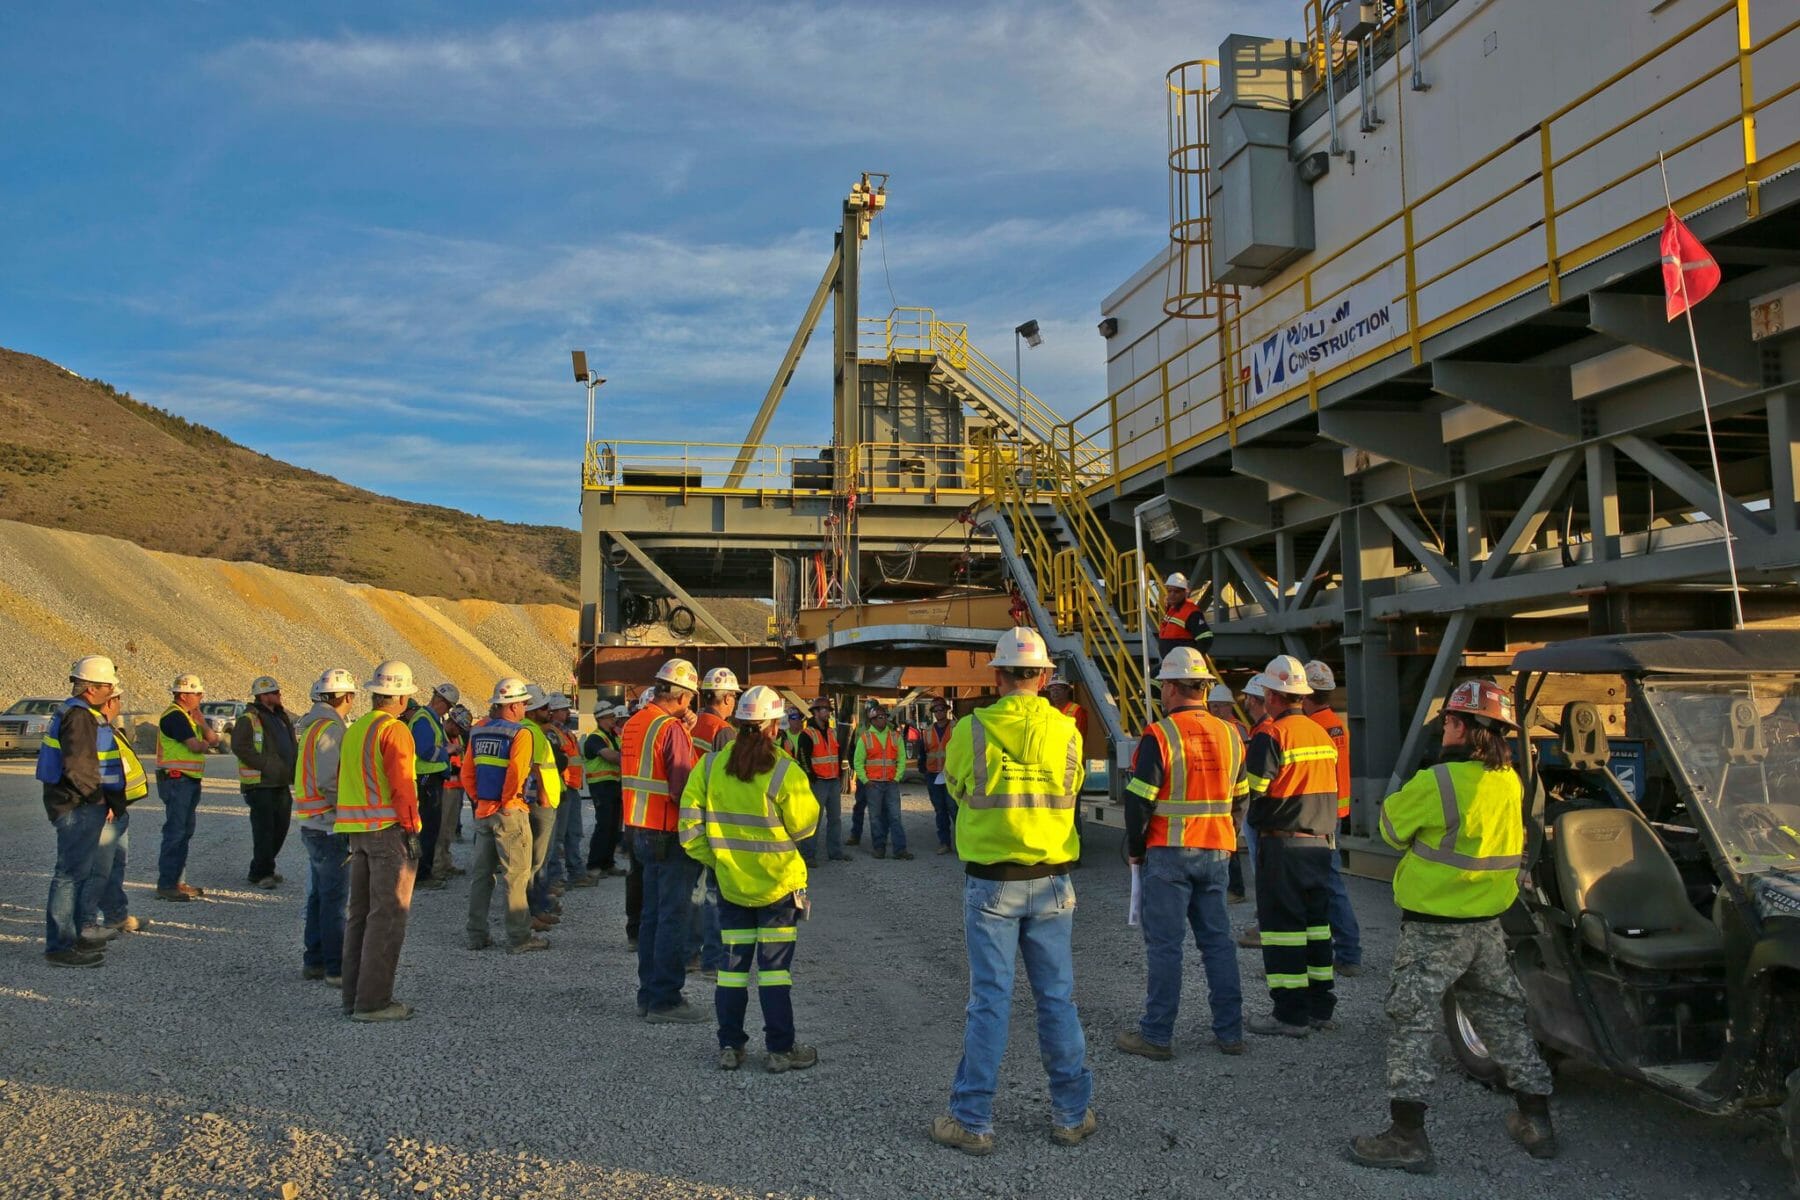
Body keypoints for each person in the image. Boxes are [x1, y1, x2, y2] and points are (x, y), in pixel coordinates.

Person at [1351, 680, 1555, 1173]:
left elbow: (1391, 829)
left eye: (1448, 721)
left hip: (1433, 930)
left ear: (1463, 727)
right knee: (1503, 1020)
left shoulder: (1438, 782)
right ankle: (1537, 1121)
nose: (1443, 727)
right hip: (1486, 928)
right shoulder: (1510, 782)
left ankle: (1407, 1137)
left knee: (1410, 1026)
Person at [930, 628, 1094, 1156]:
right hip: (1051, 882)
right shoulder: (1068, 732)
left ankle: (973, 1121)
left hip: (992, 884)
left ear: (997, 676)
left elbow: (955, 788)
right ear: (1045, 677)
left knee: (989, 1002)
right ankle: (1071, 1115)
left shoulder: (969, 730)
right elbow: (1072, 789)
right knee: (1056, 1000)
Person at [679, 685, 822, 1073]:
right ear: (774, 727)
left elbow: (689, 830)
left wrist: (720, 860)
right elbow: (806, 827)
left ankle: (731, 1047)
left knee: (731, 972)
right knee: (775, 974)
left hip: (731, 888)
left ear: (739, 722)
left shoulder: (709, 766)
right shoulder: (784, 770)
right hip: (778, 890)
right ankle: (780, 1050)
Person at [1115, 648, 1249, 1061]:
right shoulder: (1232, 734)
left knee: (1166, 946)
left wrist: (1135, 850)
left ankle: (1157, 1036)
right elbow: (1242, 799)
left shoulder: (1162, 734)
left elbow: (1140, 801)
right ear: (1205, 687)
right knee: (1218, 944)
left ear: (1171, 687)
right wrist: (1227, 836)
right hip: (1216, 851)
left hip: (1169, 853)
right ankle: (1230, 1034)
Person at [1243, 655, 1340, 1038]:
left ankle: (1289, 1014)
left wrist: (1253, 819)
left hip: (1283, 845)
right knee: (1317, 927)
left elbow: (1256, 791)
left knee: (1283, 928)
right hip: (1320, 843)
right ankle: (1320, 1007)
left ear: (1273, 694)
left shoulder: (1271, 734)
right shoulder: (1320, 732)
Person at [334, 660, 423, 1022]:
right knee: (388, 915)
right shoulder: (394, 730)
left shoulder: (355, 730)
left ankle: (353, 996)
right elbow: (402, 784)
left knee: (360, 915)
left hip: (357, 832)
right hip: (388, 831)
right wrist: (412, 828)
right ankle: (373, 1003)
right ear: (401, 696)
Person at [620, 658, 705, 1022]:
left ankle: (648, 994)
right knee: (673, 916)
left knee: (652, 915)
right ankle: (666, 1000)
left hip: (638, 830)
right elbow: (682, 788)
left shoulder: (637, 723)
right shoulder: (671, 729)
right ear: (684, 697)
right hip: (668, 833)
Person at [38, 655, 123, 967]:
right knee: (69, 876)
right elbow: (79, 764)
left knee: (75, 874)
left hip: (75, 803)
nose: (112, 691)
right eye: (108, 686)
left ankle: (69, 940)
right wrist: (97, 797)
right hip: (77, 806)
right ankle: (60, 946)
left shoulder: (78, 712)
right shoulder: (80, 716)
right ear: (91, 689)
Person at [464, 678, 545, 954]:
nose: (525, 709)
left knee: (482, 875)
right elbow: (516, 773)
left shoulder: (478, 731)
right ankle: (520, 937)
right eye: (523, 703)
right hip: (508, 812)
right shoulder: (520, 734)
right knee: (516, 875)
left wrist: (479, 799)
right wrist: (507, 801)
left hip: (484, 810)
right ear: (512, 706)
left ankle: (476, 934)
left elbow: (467, 773)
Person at [294, 669, 357, 984]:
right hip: (328, 824)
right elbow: (329, 779)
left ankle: (315, 960)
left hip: (311, 821)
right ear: (347, 696)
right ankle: (336, 968)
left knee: (319, 895)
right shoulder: (332, 729)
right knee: (334, 899)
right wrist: (347, 813)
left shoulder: (312, 725)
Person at [1303, 660, 1362, 977]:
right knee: (1330, 882)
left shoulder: (1314, 729)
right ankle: (1345, 949)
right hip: (1334, 813)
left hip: (1320, 816)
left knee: (1329, 883)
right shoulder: (1336, 724)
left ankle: (1349, 952)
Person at [78, 687, 150, 945]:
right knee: (97, 870)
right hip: (105, 811)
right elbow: (89, 772)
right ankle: (85, 925)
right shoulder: (96, 730)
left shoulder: (107, 728)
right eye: (118, 699)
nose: (120, 703)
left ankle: (116, 916)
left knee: (115, 866)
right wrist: (103, 802)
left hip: (118, 809)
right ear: (111, 702)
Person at [154, 673, 220, 901]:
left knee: (184, 832)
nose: (201, 697)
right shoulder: (175, 717)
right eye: (197, 693)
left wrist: (202, 723)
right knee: (176, 832)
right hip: (176, 780)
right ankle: (167, 884)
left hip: (188, 780)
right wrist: (203, 743)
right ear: (183, 695)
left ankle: (177, 881)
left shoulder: (190, 717)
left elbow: (215, 740)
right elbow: (195, 746)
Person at [232, 676, 299, 890]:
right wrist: (267, 765)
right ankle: (262, 872)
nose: (279, 695)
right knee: (264, 830)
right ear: (263, 696)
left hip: (280, 782)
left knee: (281, 826)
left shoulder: (280, 716)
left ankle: (262, 867)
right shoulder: (250, 718)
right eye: (275, 692)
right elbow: (241, 747)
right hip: (260, 784)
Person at [406, 682, 459, 891]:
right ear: (440, 701)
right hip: (426, 778)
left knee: (432, 827)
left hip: (430, 778)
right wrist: (448, 751)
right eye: (448, 706)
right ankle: (421, 874)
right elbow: (426, 751)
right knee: (427, 827)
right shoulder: (424, 719)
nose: (449, 711)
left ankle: (423, 871)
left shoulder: (430, 719)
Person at [520, 685, 564, 930]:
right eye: (545, 707)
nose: (549, 711)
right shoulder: (532, 733)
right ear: (533, 710)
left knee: (539, 861)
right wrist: (544, 797)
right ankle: (531, 914)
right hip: (540, 804)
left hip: (542, 803)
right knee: (535, 862)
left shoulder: (534, 730)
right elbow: (534, 767)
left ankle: (537, 908)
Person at [1211, 682, 1252, 904]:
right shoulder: (1216, 728)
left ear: (1230, 707)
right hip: (1223, 793)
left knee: (1231, 845)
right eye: (1213, 706)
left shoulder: (1238, 730)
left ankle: (1236, 890)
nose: (1216, 710)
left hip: (1233, 794)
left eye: (1220, 706)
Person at [795, 697, 848, 864]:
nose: (828, 713)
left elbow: (838, 756)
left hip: (832, 781)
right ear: (815, 712)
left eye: (828, 710)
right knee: (813, 820)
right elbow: (803, 758)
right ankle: (808, 855)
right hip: (818, 782)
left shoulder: (832, 732)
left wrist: (840, 775)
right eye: (824, 710)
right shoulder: (807, 734)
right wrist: (811, 778)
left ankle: (835, 852)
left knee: (835, 819)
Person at [854, 705, 910, 860]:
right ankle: (879, 848)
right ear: (872, 720)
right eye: (880, 717)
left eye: (885, 716)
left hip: (891, 783)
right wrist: (866, 781)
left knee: (895, 817)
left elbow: (902, 759)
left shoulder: (895, 736)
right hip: (874, 784)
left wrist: (897, 777)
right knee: (875, 817)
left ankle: (900, 850)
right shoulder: (865, 738)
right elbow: (858, 762)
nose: (883, 719)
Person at [546, 694, 589, 890]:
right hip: (562, 787)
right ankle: (555, 876)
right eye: (563, 709)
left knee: (574, 832)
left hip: (572, 786)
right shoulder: (551, 732)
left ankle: (576, 872)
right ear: (553, 711)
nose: (567, 713)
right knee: (558, 835)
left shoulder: (565, 732)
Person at [583, 704, 626, 878]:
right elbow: (611, 756)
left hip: (614, 785)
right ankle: (594, 865)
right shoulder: (595, 739)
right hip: (601, 786)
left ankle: (608, 863)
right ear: (600, 719)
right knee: (604, 825)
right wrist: (629, 757)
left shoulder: (614, 736)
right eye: (609, 717)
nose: (613, 719)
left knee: (614, 826)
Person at [437, 703, 473, 878]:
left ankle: (446, 863)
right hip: (444, 789)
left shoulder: (457, 738)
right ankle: (437, 867)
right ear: (451, 722)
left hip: (457, 788)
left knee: (449, 830)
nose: (460, 732)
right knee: (440, 829)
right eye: (458, 728)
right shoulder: (441, 735)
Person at [920, 697, 957, 855]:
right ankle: (944, 843)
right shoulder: (927, 731)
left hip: (952, 775)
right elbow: (923, 753)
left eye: (941, 709)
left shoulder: (956, 727)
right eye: (936, 710)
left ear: (947, 710)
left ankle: (963, 843)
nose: (939, 712)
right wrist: (923, 769)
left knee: (954, 809)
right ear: (933, 713)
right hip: (933, 775)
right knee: (940, 811)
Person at [1155, 572, 1213, 661]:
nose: (1172, 594)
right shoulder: (1172, 609)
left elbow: (1206, 638)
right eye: (1169, 591)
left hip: (1183, 665)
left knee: (1153, 674)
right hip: (1172, 663)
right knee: (1152, 674)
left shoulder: (1191, 612)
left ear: (1185, 593)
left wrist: (1193, 659)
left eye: (1176, 591)